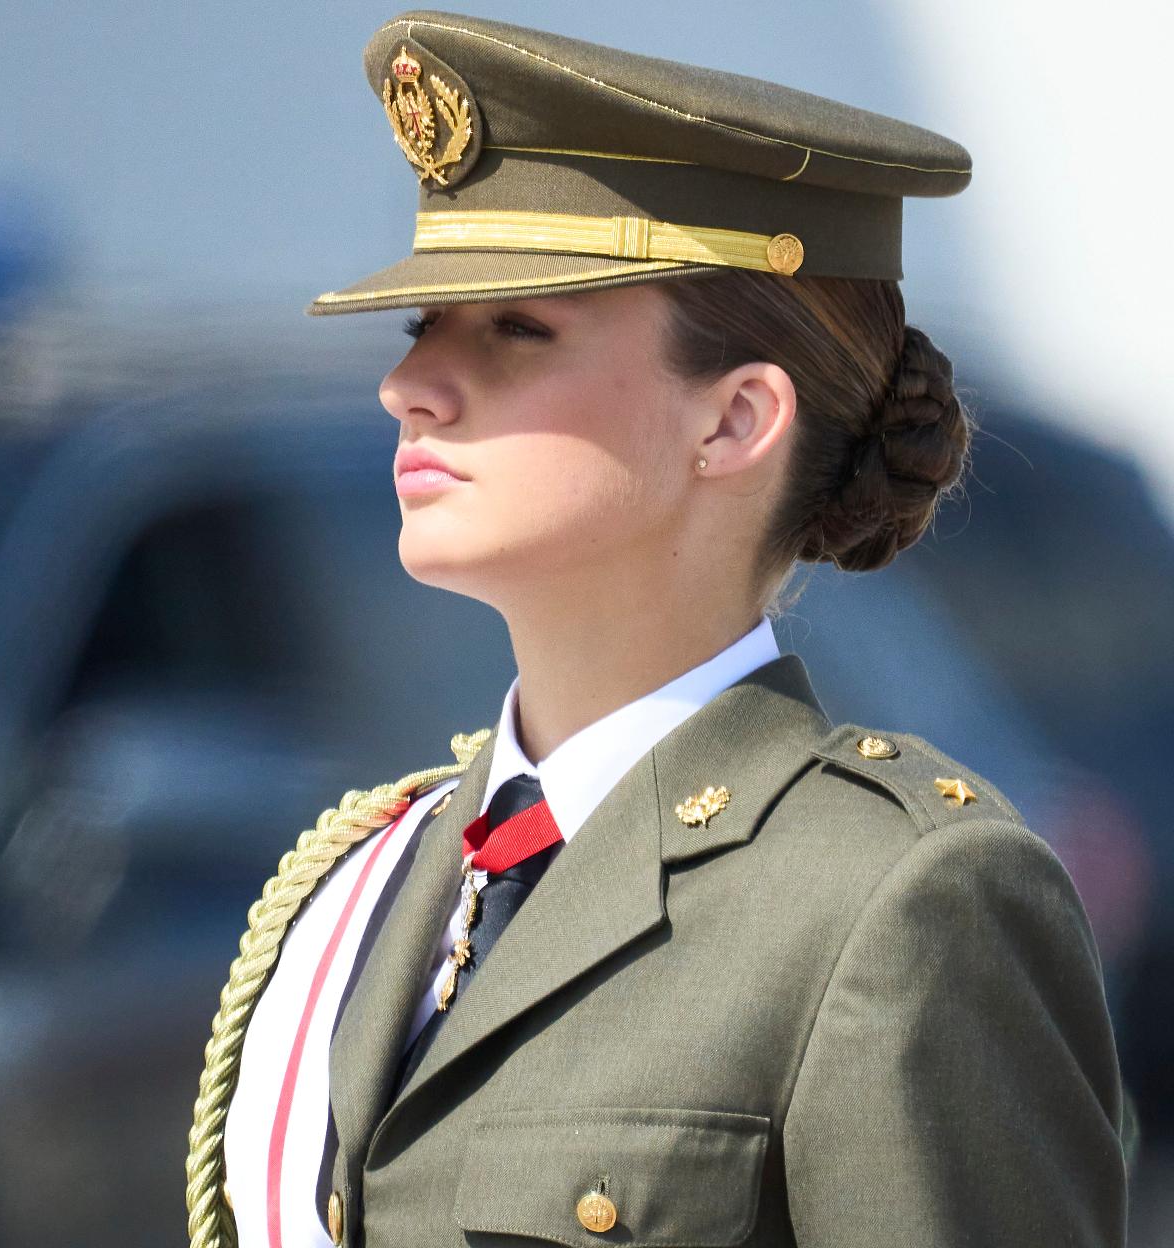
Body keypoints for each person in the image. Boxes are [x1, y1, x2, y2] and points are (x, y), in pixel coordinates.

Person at [185, 11, 1128, 1248]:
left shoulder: (901, 898)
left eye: (517, 329)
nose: (407, 386)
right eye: (421, 327)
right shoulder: (370, 876)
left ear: (734, 421)